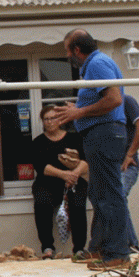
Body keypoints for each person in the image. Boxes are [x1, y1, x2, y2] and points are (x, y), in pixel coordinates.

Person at [54, 29, 131, 270]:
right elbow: (102, 100)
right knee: (98, 194)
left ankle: (118, 254)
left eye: (68, 50)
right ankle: (99, 248)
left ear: (77, 50)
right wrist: (79, 106)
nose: (68, 56)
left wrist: (80, 112)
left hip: (106, 133)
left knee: (110, 194)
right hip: (99, 134)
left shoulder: (97, 63)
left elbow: (114, 99)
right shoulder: (93, 66)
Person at [32, 105, 89, 259]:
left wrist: (74, 174)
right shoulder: (38, 142)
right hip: (47, 183)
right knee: (42, 203)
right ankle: (48, 248)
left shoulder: (74, 138)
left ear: (60, 120)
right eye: (46, 119)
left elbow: (85, 160)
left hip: (74, 182)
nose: (50, 122)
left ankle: (78, 249)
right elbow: (42, 167)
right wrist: (64, 175)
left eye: (53, 118)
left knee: (77, 205)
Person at [120, 95, 139, 251]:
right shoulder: (96, 103)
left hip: (126, 166)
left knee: (118, 195)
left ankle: (131, 245)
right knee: (106, 200)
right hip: (107, 165)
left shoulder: (126, 101)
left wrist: (130, 153)